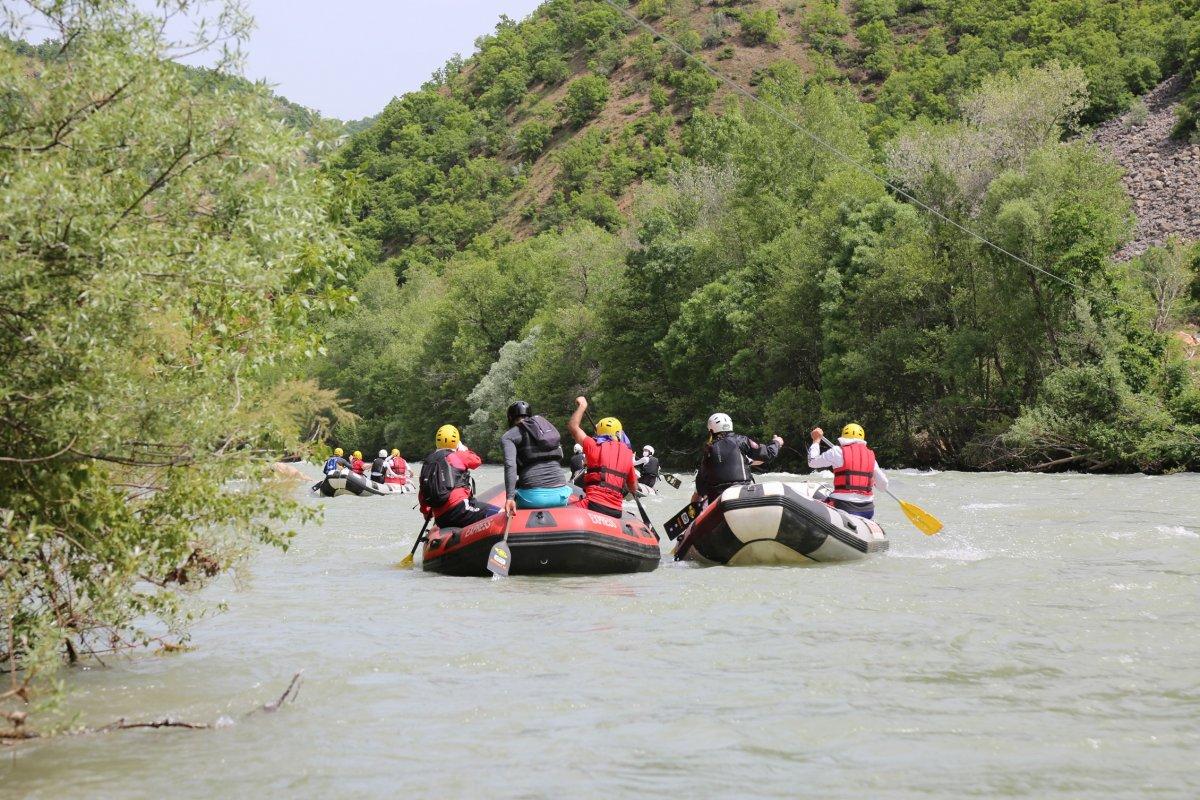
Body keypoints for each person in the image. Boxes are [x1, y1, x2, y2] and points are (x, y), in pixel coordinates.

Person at [566, 396, 638, 519]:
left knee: (561, 511)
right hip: (616, 512)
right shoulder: (627, 454)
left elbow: (573, 426)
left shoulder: (592, 445)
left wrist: (582, 406)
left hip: (593, 505)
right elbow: (633, 487)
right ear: (619, 433)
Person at [418, 424, 499, 529]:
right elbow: (476, 461)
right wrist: (463, 449)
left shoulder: (428, 462)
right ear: (457, 442)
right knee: (500, 513)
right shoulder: (458, 455)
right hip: (460, 510)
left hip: (440, 519)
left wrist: (425, 511)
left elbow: (422, 492)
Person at [693, 413, 783, 504]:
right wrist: (777, 443)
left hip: (719, 501)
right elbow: (768, 454)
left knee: (698, 494)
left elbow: (700, 489)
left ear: (711, 431)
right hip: (743, 495)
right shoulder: (741, 441)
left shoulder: (708, 452)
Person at [501, 401, 571, 517]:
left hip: (533, 498)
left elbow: (510, 465)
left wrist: (510, 498)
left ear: (510, 418)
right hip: (561, 495)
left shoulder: (509, 436)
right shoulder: (546, 431)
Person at [808, 423, 888, 519]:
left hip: (843, 506)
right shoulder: (871, 456)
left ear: (843, 436)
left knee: (812, 503)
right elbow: (883, 485)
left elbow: (812, 462)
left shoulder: (836, 451)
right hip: (867, 510)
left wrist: (816, 441)